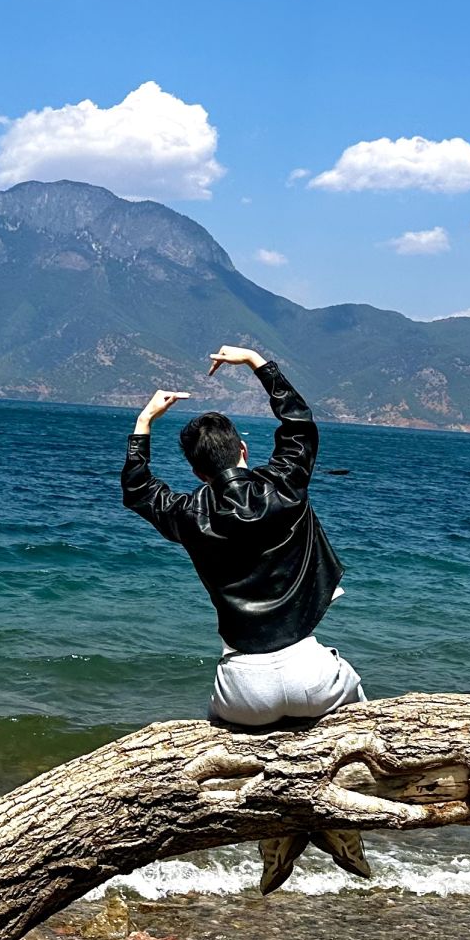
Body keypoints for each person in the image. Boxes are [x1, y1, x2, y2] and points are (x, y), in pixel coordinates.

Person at [120, 344, 369, 893]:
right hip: (313, 671)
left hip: (240, 686)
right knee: (360, 729)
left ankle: (275, 834)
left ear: (193, 469)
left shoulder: (189, 514)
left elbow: (137, 491)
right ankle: (343, 824)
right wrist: (258, 362)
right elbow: (298, 422)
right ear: (243, 450)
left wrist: (144, 423)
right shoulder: (284, 485)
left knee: (259, 755)